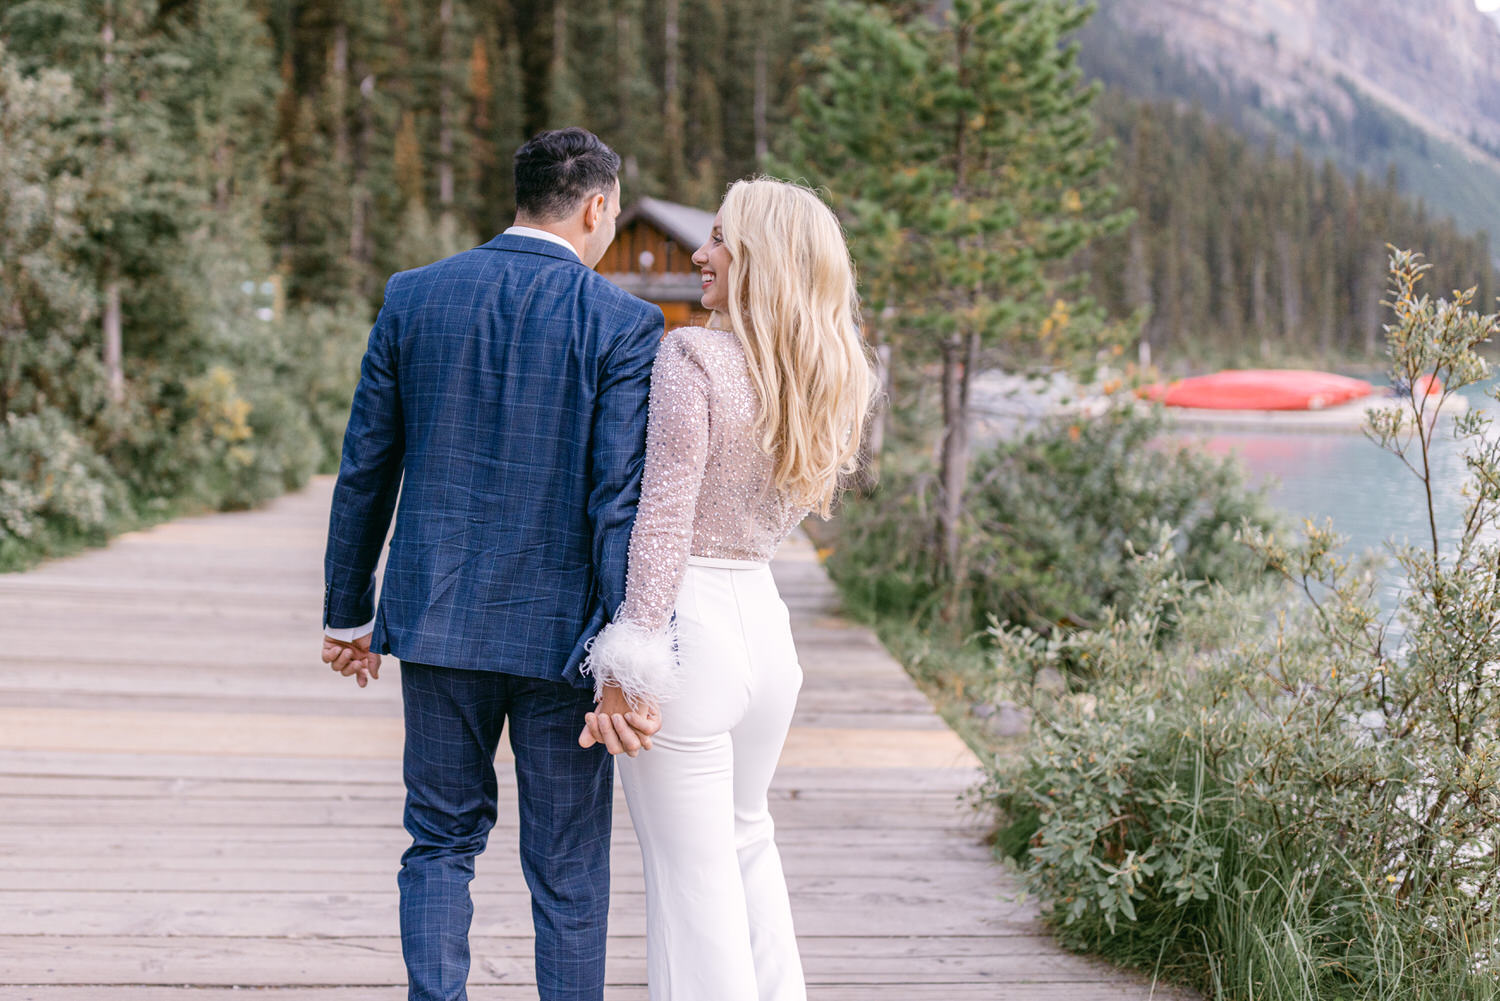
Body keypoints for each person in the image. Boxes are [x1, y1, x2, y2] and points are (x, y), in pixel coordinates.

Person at [319, 127, 665, 1001]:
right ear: (595, 207)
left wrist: (346, 613)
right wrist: (627, 653)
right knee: (568, 868)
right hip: (565, 638)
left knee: (439, 840)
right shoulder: (623, 323)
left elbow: (367, 464)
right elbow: (616, 500)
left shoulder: (415, 297)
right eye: (614, 216)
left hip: (436, 623)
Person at [579, 177, 878, 1001]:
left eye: (720, 240)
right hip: (765, 633)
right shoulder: (824, 375)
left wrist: (628, 661)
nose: (701, 255)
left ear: (764, 259)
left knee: (692, 885)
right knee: (748, 843)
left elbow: (664, 516)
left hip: (690, 630)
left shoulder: (694, 355)